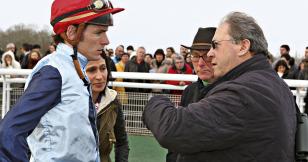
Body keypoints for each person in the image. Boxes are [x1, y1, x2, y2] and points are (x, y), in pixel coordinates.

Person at [143, 11, 296, 162]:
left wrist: (156, 101)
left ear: (243, 46)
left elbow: (172, 129)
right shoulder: (275, 85)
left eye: (215, 45)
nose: (209, 54)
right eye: (196, 55)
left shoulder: (244, 93)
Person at [0, 0, 124, 161]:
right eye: (99, 32)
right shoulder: (53, 72)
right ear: (71, 33)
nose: (106, 40)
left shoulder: (74, 67)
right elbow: (9, 131)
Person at [166, 27, 216, 162]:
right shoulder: (189, 91)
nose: (200, 63)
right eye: (195, 56)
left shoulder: (234, 91)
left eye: (207, 56)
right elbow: (177, 137)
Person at [86, 53, 129, 162]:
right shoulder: (66, 101)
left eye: (103, 68)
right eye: (92, 70)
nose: (100, 76)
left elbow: (122, 142)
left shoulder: (113, 100)